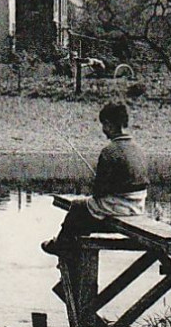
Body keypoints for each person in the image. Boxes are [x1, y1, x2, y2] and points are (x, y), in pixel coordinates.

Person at [42, 100, 149, 256]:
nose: (103, 130)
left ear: (109, 124)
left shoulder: (109, 151)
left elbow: (99, 192)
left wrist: (96, 187)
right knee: (82, 216)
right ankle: (71, 247)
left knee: (78, 207)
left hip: (119, 206)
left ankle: (62, 245)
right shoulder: (139, 149)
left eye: (104, 125)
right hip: (138, 205)